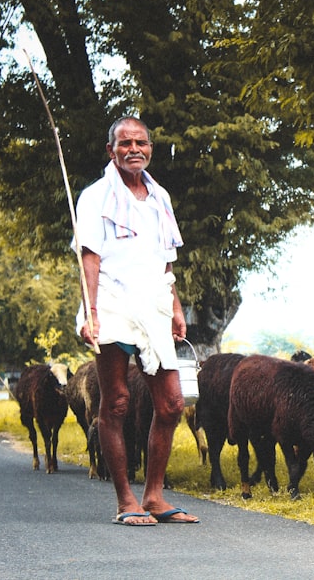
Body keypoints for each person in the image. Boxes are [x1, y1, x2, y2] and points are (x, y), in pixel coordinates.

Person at [74, 116, 199, 525]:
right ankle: (125, 499)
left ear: (149, 148)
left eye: (140, 143)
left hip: (155, 306)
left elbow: (166, 261)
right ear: (111, 151)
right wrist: (91, 312)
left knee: (172, 404)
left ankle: (155, 496)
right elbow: (88, 258)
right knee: (118, 402)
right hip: (110, 302)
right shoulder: (95, 197)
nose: (133, 149)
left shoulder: (159, 196)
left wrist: (176, 307)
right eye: (124, 143)